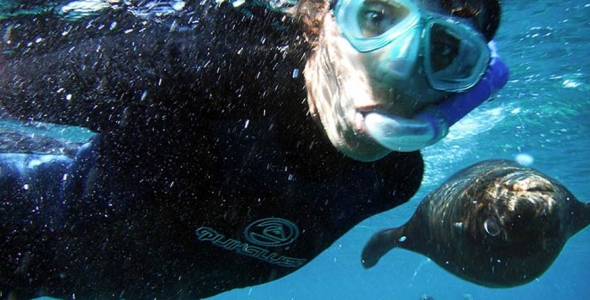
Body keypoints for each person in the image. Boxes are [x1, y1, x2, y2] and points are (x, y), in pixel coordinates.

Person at [0, 0, 506, 298]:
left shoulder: (394, 180)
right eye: (375, 18)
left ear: (463, 84)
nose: (399, 66)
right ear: (324, 21)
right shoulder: (199, 67)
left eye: (444, 50)